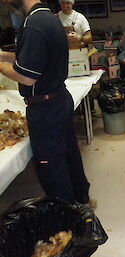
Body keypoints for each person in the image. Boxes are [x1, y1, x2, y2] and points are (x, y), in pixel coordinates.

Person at [0, 0, 93, 207]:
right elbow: (31, 59)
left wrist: (0, 66)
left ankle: (66, 217)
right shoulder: (50, 18)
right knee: (69, 152)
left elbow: (26, 77)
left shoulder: (32, 24)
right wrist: (4, 55)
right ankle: (81, 199)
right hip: (60, 98)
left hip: (45, 108)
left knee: (50, 165)